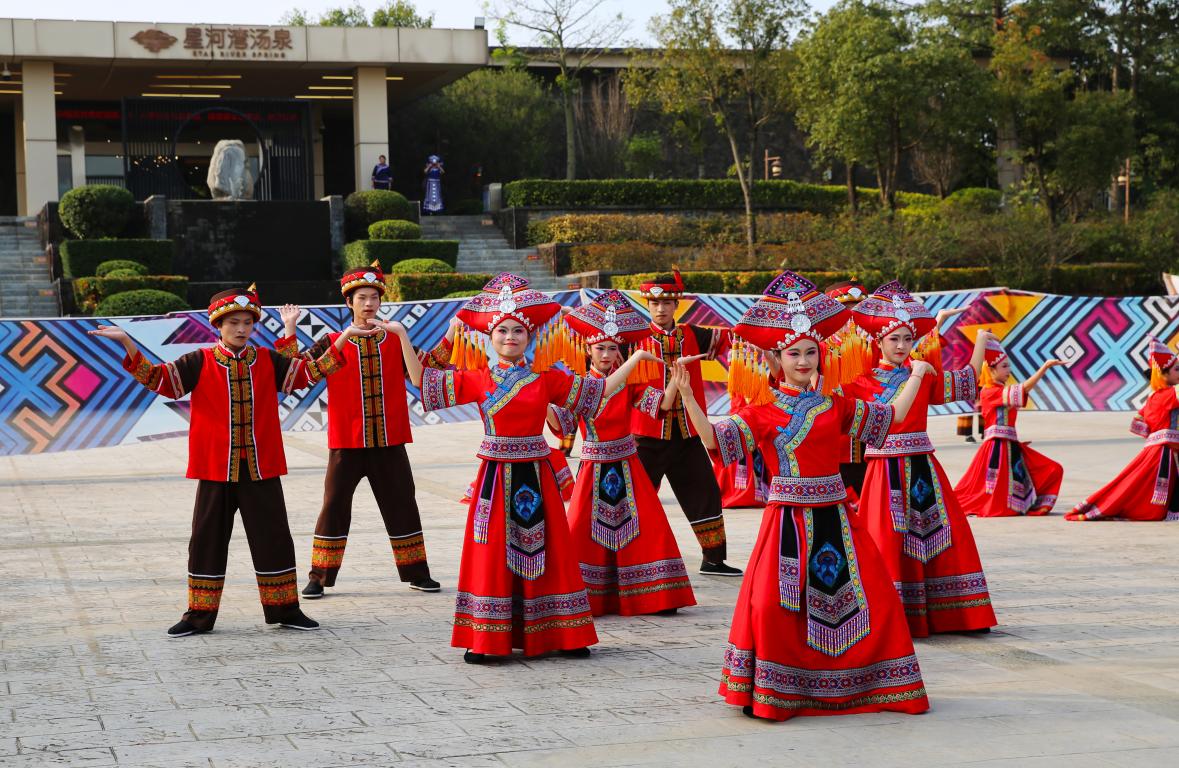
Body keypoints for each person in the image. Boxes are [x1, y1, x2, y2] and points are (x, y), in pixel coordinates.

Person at [674, 271, 931, 721]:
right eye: (794, 353)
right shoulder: (762, 412)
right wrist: (687, 395)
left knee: (875, 601)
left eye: (811, 352)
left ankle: (864, 684)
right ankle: (777, 689)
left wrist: (918, 376)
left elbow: (888, 420)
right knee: (772, 605)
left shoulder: (835, 404)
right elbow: (715, 441)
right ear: (776, 358)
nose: (804, 360)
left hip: (837, 515)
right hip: (787, 521)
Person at [88, 285, 368, 637]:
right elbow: (161, 381)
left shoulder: (267, 360)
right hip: (215, 469)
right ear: (218, 325)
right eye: (233, 322)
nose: (241, 329)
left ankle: (285, 609)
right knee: (206, 541)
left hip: (261, 468)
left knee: (274, 539)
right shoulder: (198, 361)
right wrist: (128, 343)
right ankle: (198, 615)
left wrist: (344, 337)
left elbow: (306, 374)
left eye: (247, 323)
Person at [414, 273, 660, 663]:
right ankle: (487, 637)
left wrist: (633, 361)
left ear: (530, 337)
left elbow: (598, 392)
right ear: (490, 337)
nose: (510, 337)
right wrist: (401, 334)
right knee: (492, 552)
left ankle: (565, 633)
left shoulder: (547, 379)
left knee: (553, 551)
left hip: (537, 474)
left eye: (518, 331)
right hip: (496, 477)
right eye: (502, 331)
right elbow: (422, 381)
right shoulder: (477, 379)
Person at [275, 261, 440, 599]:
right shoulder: (333, 341)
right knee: (334, 506)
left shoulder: (395, 338)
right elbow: (296, 373)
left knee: (403, 505)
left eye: (374, 297)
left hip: (390, 441)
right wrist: (290, 328)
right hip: (346, 443)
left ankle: (417, 572)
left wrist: (453, 331)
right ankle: (319, 577)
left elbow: (430, 368)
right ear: (348, 302)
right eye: (361, 298)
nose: (368, 303)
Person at [842, 281, 998, 637]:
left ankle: (957, 614)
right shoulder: (861, 382)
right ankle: (894, 614)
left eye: (906, 339)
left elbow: (965, 383)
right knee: (888, 539)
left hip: (924, 466)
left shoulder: (923, 372)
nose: (900, 346)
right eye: (893, 339)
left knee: (943, 535)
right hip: (884, 471)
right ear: (878, 341)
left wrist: (980, 343)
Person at [549, 290, 697, 617]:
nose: (606, 354)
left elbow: (661, 406)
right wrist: (542, 392)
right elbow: (560, 425)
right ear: (587, 349)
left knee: (647, 528)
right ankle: (587, 596)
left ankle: (655, 595)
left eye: (612, 348)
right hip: (593, 467)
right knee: (582, 531)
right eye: (600, 348)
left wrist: (676, 377)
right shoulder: (578, 385)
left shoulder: (628, 383)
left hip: (629, 464)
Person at [632, 268, 743, 576]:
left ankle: (713, 559)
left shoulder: (693, 335)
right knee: (636, 498)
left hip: (688, 433)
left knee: (705, 493)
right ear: (647, 305)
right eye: (655, 303)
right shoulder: (635, 339)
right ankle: (627, 558)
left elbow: (732, 339)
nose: (661, 309)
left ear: (676, 304)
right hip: (647, 435)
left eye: (667, 303)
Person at [1067, 336, 1179, 521]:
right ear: (1163, 374)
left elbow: (1144, 424)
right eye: (1177, 369)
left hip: (1162, 450)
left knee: (1133, 487)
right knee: (1138, 494)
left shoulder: (1155, 396)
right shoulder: (1168, 395)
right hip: (1164, 452)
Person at [954, 338, 1065, 517]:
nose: (1008, 370)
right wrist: (1044, 367)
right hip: (997, 447)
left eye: (1008, 366)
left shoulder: (999, 390)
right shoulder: (990, 392)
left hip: (1009, 445)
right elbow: (1024, 388)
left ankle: (1028, 504)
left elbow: (1020, 392)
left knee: (1053, 469)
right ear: (991, 370)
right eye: (1004, 366)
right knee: (993, 495)